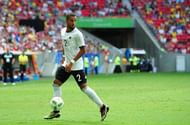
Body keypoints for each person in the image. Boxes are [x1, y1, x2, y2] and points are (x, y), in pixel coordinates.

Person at [44, 14, 109, 121]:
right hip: (66, 64)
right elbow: (64, 45)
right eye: (71, 21)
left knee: (84, 88)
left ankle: (102, 106)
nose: (73, 23)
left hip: (77, 66)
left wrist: (72, 62)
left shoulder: (78, 34)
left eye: (75, 21)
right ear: (66, 21)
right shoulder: (63, 31)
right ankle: (56, 111)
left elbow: (83, 50)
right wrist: (64, 58)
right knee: (56, 84)